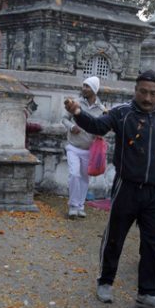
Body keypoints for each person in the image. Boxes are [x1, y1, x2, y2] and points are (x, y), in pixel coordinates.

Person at [64, 70, 155, 308]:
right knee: (115, 237)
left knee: (153, 243)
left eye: (153, 93)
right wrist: (77, 112)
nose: (148, 98)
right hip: (126, 188)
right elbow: (97, 125)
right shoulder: (122, 113)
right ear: (136, 90)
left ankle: (147, 293)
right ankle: (105, 282)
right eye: (143, 91)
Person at [61, 76, 106, 219]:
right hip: (73, 147)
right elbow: (64, 119)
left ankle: (80, 206)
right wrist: (71, 126)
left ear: (94, 89)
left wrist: (100, 135)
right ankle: (73, 206)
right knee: (74, 174)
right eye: (84, 86)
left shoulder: (101, 109)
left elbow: (104, 127)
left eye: (87, 86)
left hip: (89, 150)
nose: (84, 89)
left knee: (85, 179)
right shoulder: (76, 104)